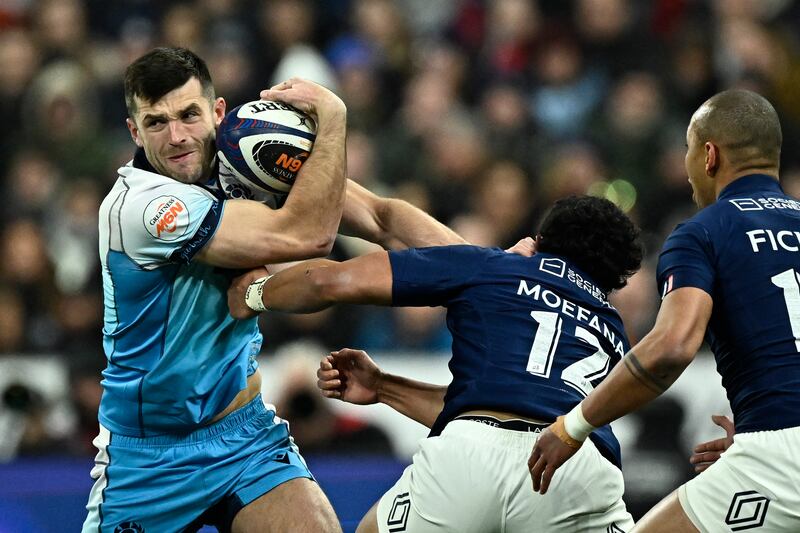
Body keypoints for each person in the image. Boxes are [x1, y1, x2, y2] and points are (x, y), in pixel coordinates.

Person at [83, 47, 463, 533]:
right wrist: (333, 117)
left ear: (218, 113)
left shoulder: (248, 157)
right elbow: (305, 235)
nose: (176, 136)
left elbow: (382, 218)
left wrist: (491, 267)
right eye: (156, 123)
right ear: (134, 132)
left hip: (243, 435)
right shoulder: (139, 208)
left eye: (189, 115)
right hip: (149, 456)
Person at [228, 195, 644, 533]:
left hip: (471, 458)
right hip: (578, 467)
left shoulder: (493, 266)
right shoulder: (613, 329)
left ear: (537, 241)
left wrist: (254, 294)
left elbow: (329, 280)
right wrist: (386, 388)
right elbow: (523, 409)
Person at [529, 89, 800, 533]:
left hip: (776, 457)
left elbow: (672, 347)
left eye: (688, 149)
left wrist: (573, 426)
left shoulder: (702, 234)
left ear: (709, 155)